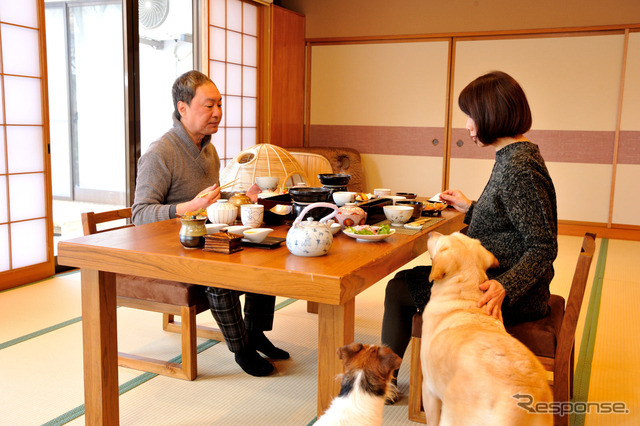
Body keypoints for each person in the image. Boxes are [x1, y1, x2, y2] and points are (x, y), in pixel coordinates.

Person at [381, 70, 558, 402]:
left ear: (492, 115)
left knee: (399, 288)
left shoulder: (520, 167)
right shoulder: (513, 157)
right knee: (408, 283)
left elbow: (542, 246)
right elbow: (507, 221)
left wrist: (507, 286)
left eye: (471, 116)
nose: (467, 125)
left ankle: (382, 380)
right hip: (494, 275)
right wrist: (470, 206)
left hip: (506, 289)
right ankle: (397, 374)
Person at [132, 70, 288, 377]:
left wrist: (242, 196)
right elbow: (139, 214)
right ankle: (242, 348)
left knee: (263, 249)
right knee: (220, 275)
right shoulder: (160, 153)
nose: (217, 113)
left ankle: (255, 333)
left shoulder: (208, 149)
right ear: (183, 108)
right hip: (171, 249)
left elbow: (210, 199)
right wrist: (188, 207)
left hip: (205, 241)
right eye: (208, 105)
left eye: (220, 104)